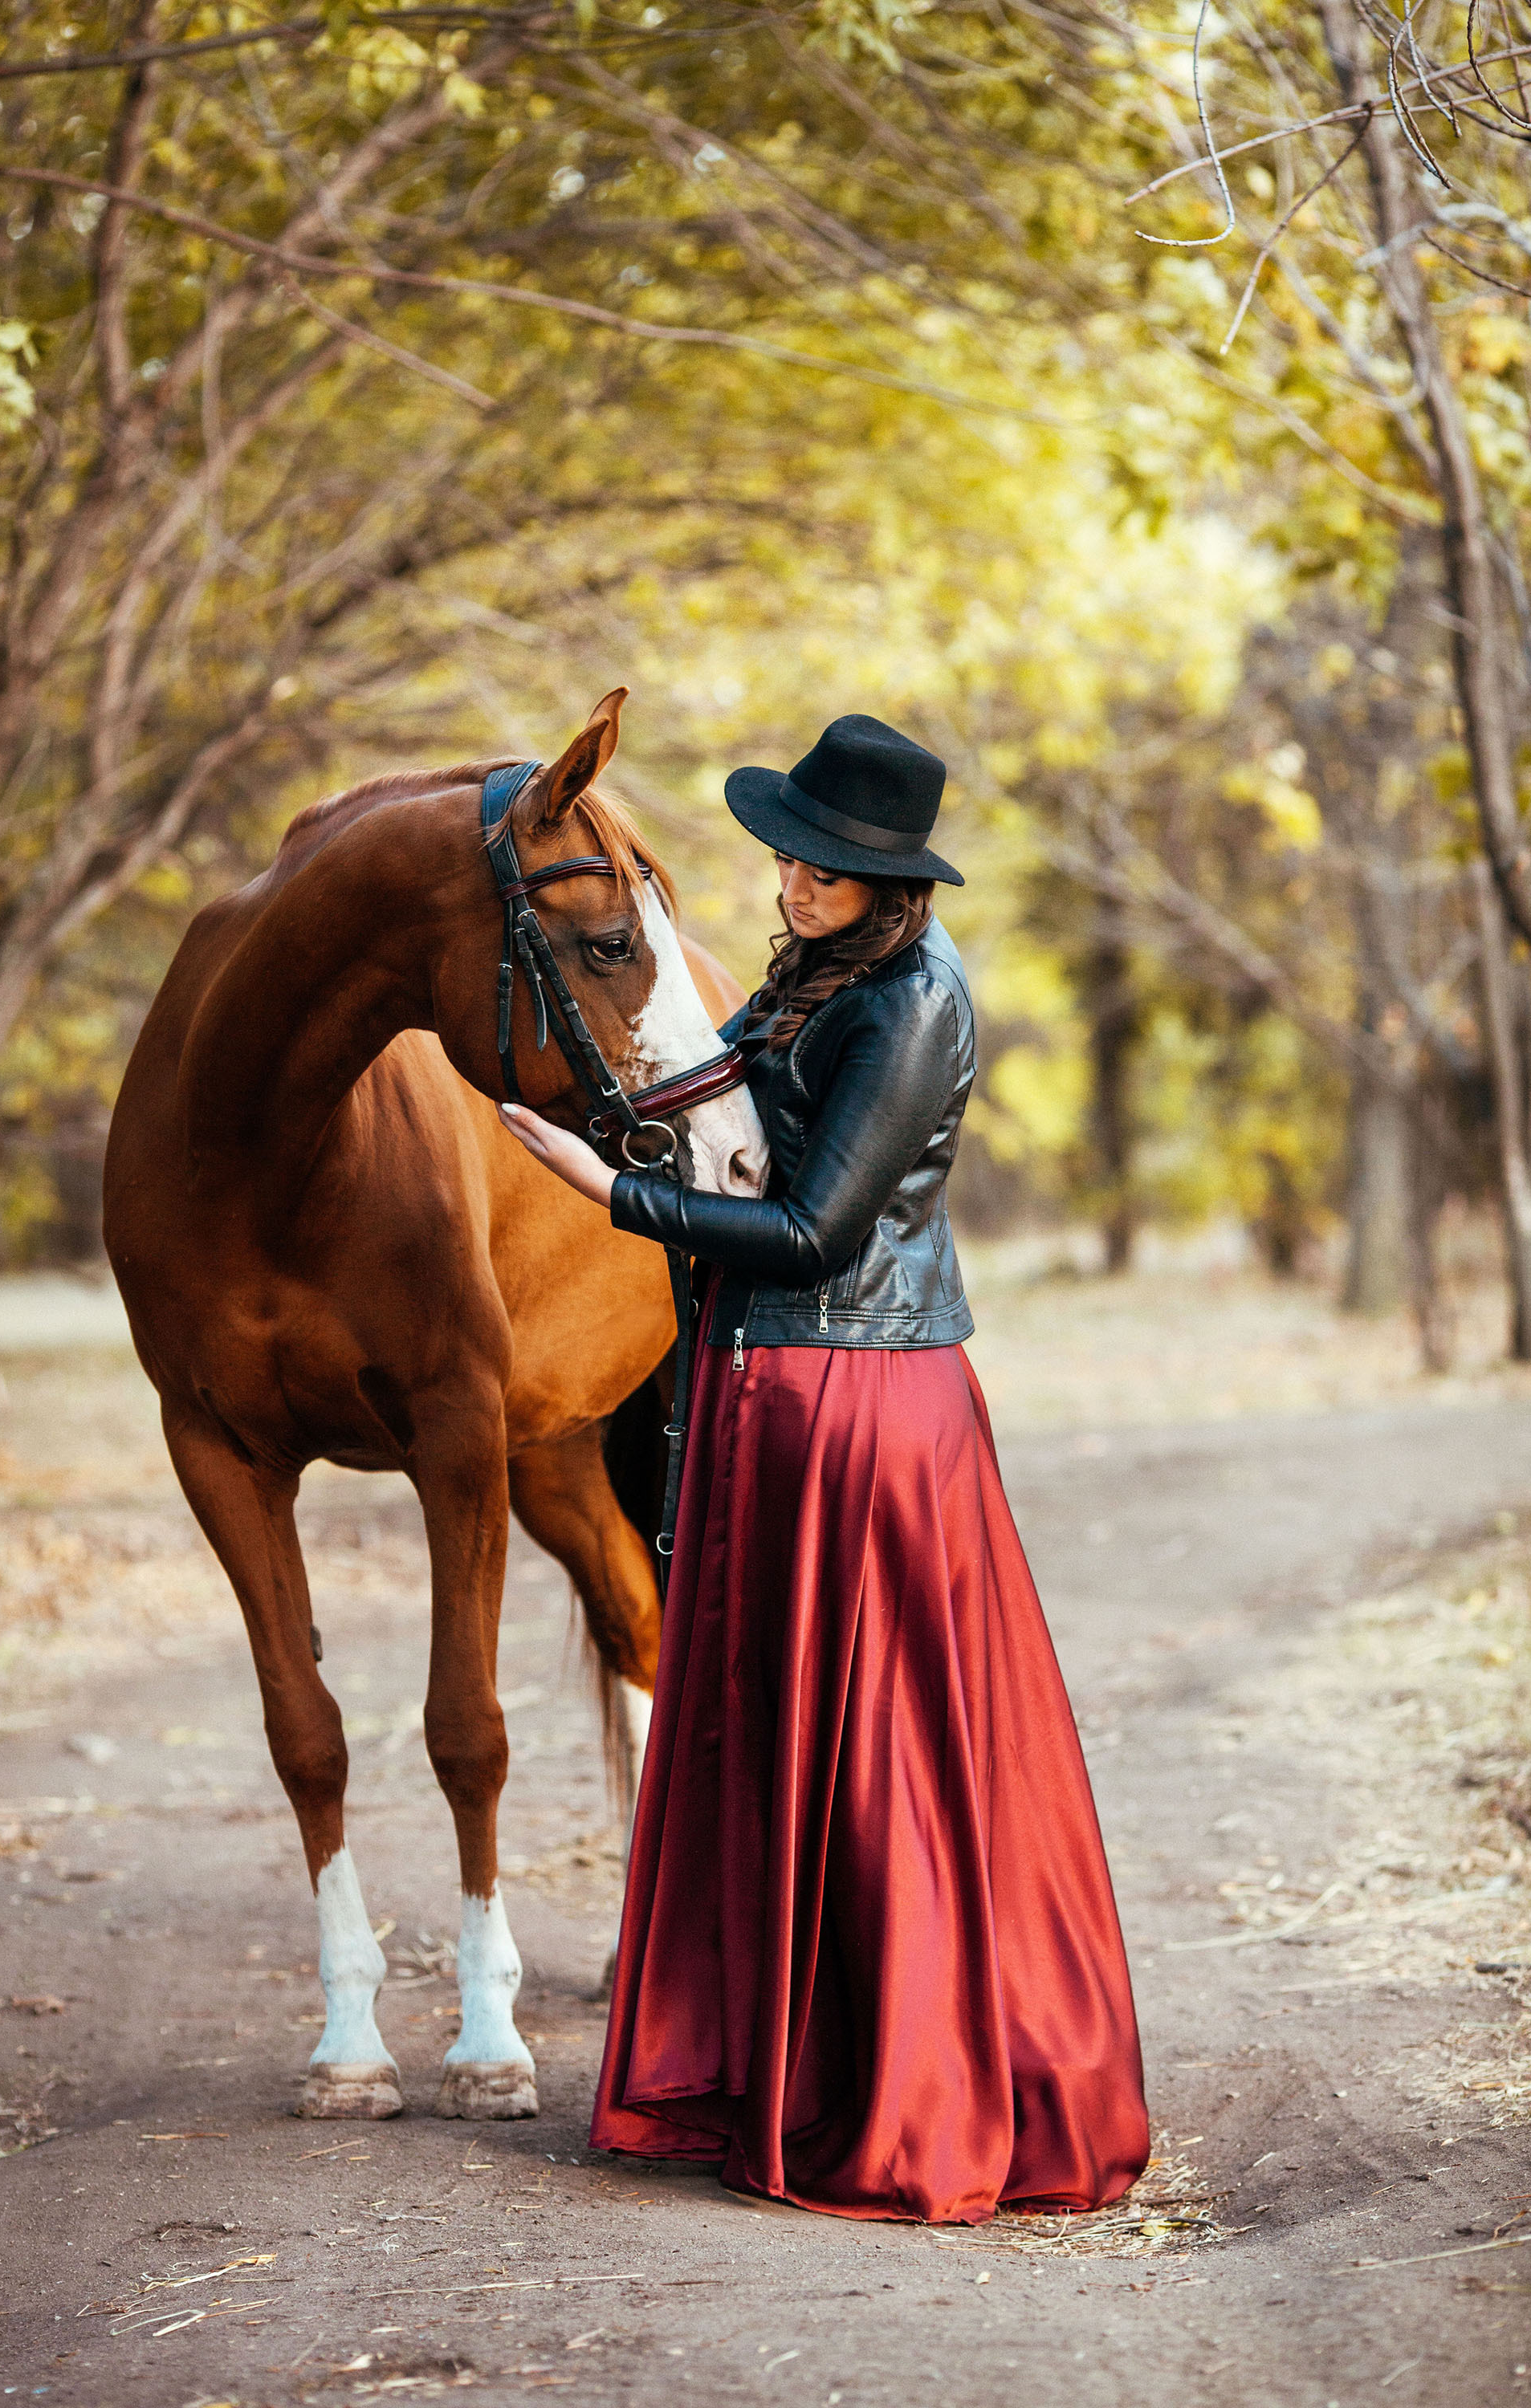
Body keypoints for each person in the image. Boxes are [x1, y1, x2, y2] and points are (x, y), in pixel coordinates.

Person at [500, 713, 1149, 2225]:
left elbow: (816, 1234)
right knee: (784, 1738)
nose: (792, 880)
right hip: (773, 1390)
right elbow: (707, 1113)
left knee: (883, 1758)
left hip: (864, 1402)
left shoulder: (914, 1000)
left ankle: (908, 2092)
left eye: (825, 865)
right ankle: (782, 2071)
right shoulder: (815, 975)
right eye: (789, 855)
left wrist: (608, 1195)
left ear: (889, 879)